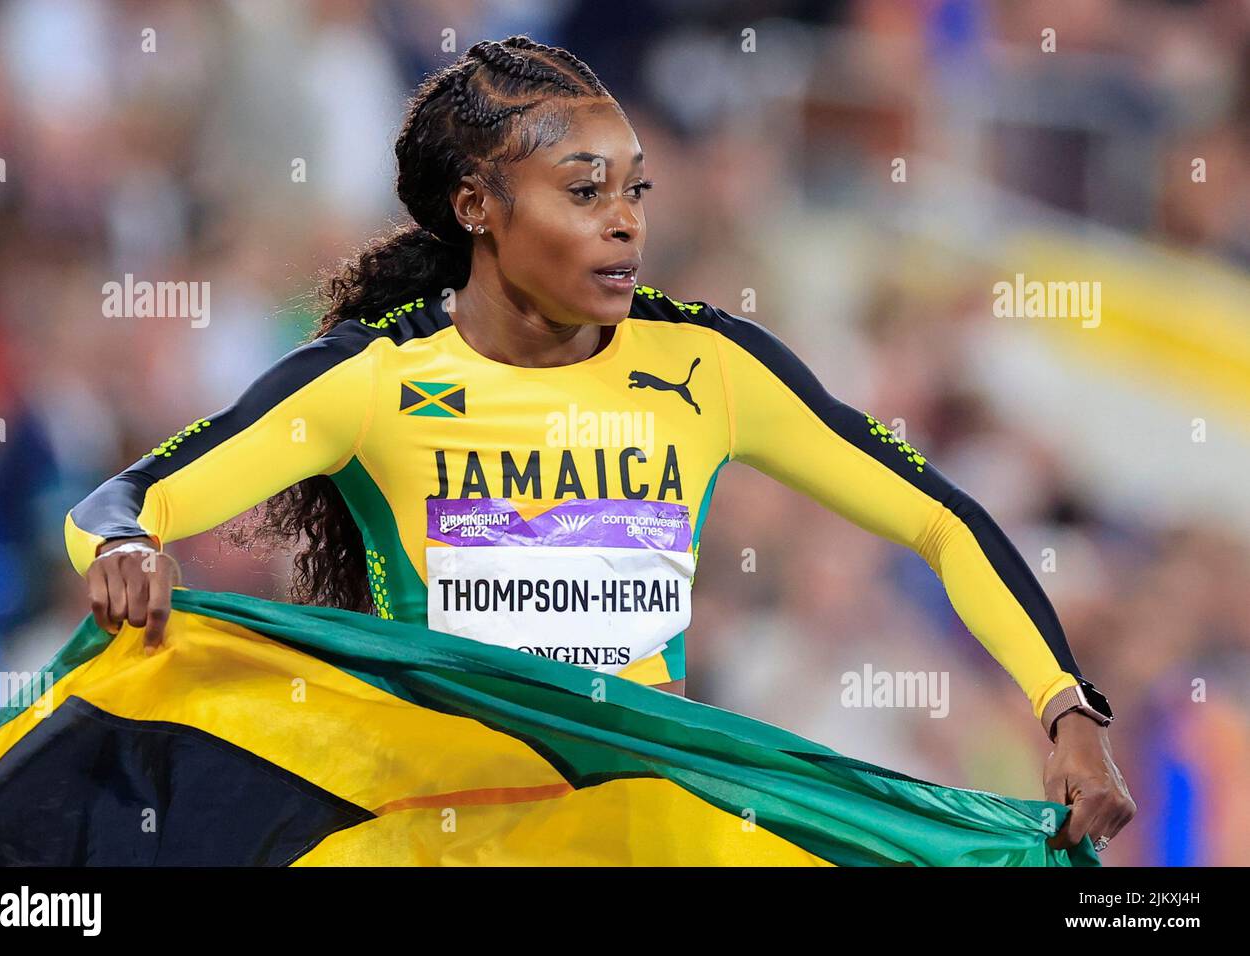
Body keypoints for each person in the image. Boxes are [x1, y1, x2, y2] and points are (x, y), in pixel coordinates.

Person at [63, 35, 1134, 854]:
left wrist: (1063, 705)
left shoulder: (708, 366)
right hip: (444, 841)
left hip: (643, 833)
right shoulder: (371, 379)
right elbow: (120, 504)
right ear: (476, 205)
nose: (624, 220)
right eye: (584, 192)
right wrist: (126, 552)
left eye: (633, 189)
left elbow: (938, 517)